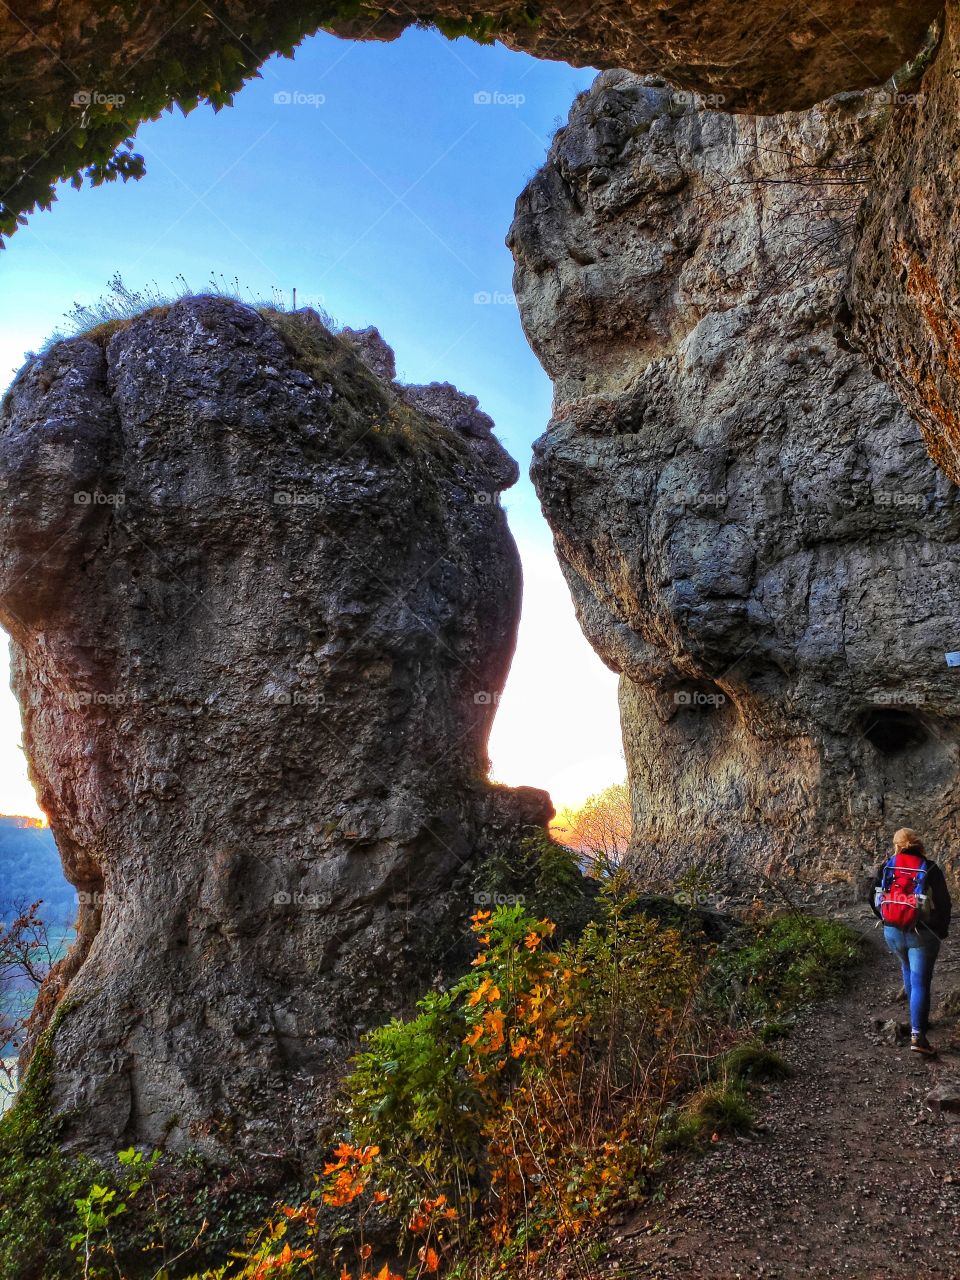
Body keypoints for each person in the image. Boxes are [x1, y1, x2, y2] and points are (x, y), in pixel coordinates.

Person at [870, 828, 952, 1056]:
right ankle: (918, 1035)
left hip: (892, 932)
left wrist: (887, 919)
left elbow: (872, 897)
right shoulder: (930, 868)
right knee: (921, 982)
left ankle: (917, 1019)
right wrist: (939, 931)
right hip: (922, 934)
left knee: (907, 968)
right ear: (919, 845)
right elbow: (944, 905)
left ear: (897, 845)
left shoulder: (889, 865)